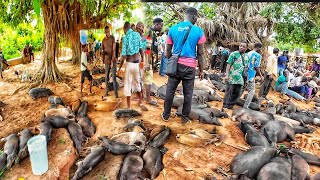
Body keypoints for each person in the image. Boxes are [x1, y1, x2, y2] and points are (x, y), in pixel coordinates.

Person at [161, 7, 206, 124]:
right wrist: (201, 70)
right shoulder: (199, 31)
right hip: (190, 67)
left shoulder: (173, 29)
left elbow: (167, 52)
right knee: (188, 94)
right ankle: (184, 118)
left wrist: (173, 58)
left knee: (170, 91)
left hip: (175, 66)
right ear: (194, 17)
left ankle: (166, 115)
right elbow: (200, 53)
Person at [118, 22, 147, 111]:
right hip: (137, 64)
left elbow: (123, 56)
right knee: (137, 83)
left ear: (124, 29)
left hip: (129, 64)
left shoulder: (125, 38)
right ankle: (140, 102)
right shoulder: (137, 35)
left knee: (128, 85)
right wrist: (142, 60)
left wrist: (120, 67)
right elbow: (141, 49)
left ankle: (129, 106)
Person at [222, 42, 249, 110]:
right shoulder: (234, 54)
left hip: (240, 78)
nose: (241, 47)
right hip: (232, 77)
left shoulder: (246, 57)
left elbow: (246, 69)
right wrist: (227, 75)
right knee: (229, 92)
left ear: (246, 48)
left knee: (237, 93)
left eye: (243, 46)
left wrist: (247, 79)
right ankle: (225, 105)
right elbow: (228, 65)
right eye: (240, 46)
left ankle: (230, 105)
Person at [243, 42, 264, 109]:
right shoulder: (257, 55)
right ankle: (246, 106)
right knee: (251, 91)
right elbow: (256, 67)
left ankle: (234, 101)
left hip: (243, 73)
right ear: (258, 48)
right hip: (250, 75)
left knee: (242, 88)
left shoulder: (247, 53)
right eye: (260, 48)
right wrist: (261, 75)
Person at [102, 26, 118, 98]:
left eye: (108, 31)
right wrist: (103, 56)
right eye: (106, 32)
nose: (107, 33)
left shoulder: (112, 38)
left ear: (109, 31)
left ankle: (116, 94)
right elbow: (103, 50)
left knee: (114, 77)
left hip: (113, 60)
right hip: (106, 61)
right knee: (106, 77)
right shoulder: (103, 40)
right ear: (104, 32)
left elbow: (114, 49)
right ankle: (106, 92)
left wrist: (112, 59)